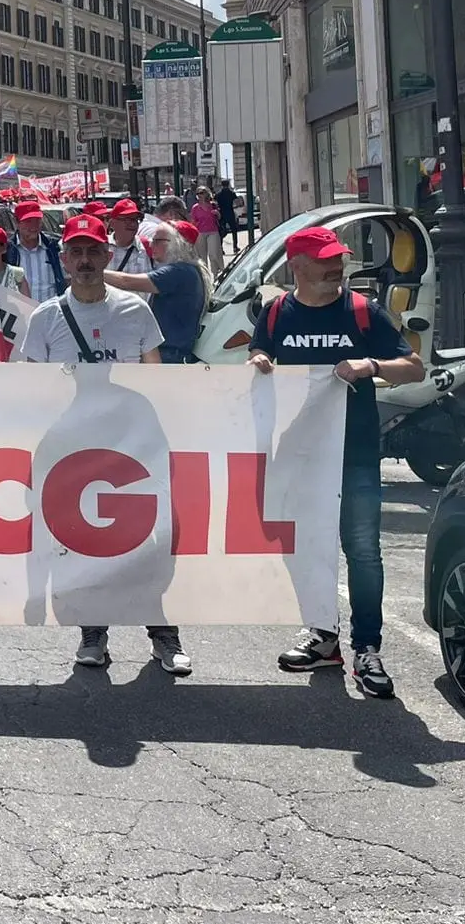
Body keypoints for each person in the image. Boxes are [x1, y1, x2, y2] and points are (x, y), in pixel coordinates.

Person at [248, 225, 424, 699]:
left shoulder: (363, 312)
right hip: (299, 454)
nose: (336, 268)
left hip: (357, 454)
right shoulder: (277, 312)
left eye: (339, 260)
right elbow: (259, 352)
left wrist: (373, 366)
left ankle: (367, 648)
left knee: (362, 551)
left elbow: (415, 366)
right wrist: (261, 359)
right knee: (306, 549)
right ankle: (324, 637)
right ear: (296, 267)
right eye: (325, 260)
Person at [18, 214, 192, 677]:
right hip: (74, 452)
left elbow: (155, 377)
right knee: (84, 545)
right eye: (76, 252)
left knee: (148, 544)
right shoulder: (45, 317)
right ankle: (92, 633)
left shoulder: (135, 310)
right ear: (64, 260)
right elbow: (33, 390)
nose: (85, 260)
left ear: (108, 256)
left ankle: (162, 634)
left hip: (133, 448)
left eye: (93, 251)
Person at [103, 222, 209, 364]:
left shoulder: (178, 271)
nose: (151, 244)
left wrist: (93, 272)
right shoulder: (189, 270)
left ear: (176, 244)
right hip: (172, 353)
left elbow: (126, 282)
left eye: (157, 240)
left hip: (169, 355)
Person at [6, 200, 65, 302]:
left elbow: (66, 280)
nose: (33, 226)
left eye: (37, 220)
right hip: (19, 314)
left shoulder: (54, 248)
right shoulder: (7, 250)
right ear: (17, 222)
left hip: (51, 313)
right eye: (28, 221)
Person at [106, 199, 152, 275]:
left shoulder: (148, 247)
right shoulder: (101, 247)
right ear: (112, 223)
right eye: (127, 219)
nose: (133, 224)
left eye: (135, 219)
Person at [190, 186, 223, 276]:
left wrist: (217, 213)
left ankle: (215, 274)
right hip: (200, 233)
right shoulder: (195, 208)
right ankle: (205, 276)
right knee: (202, 257)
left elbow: (219, 218)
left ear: (206, 194)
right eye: (198, 193)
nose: (199, 195)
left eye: (201, 193)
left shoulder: (213, 205)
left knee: (213, 254)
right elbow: (193, 221)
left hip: (213, 231)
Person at [216, 178, 240, 252]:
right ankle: (235, 247)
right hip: (230, 213)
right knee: (234, 230)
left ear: (222, 185)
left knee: (221, 231)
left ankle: (220, 248)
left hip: (222, 214)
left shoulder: (218, 194)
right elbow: (237, 202)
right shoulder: (231, 193)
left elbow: (215, 203)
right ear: (228, 184)